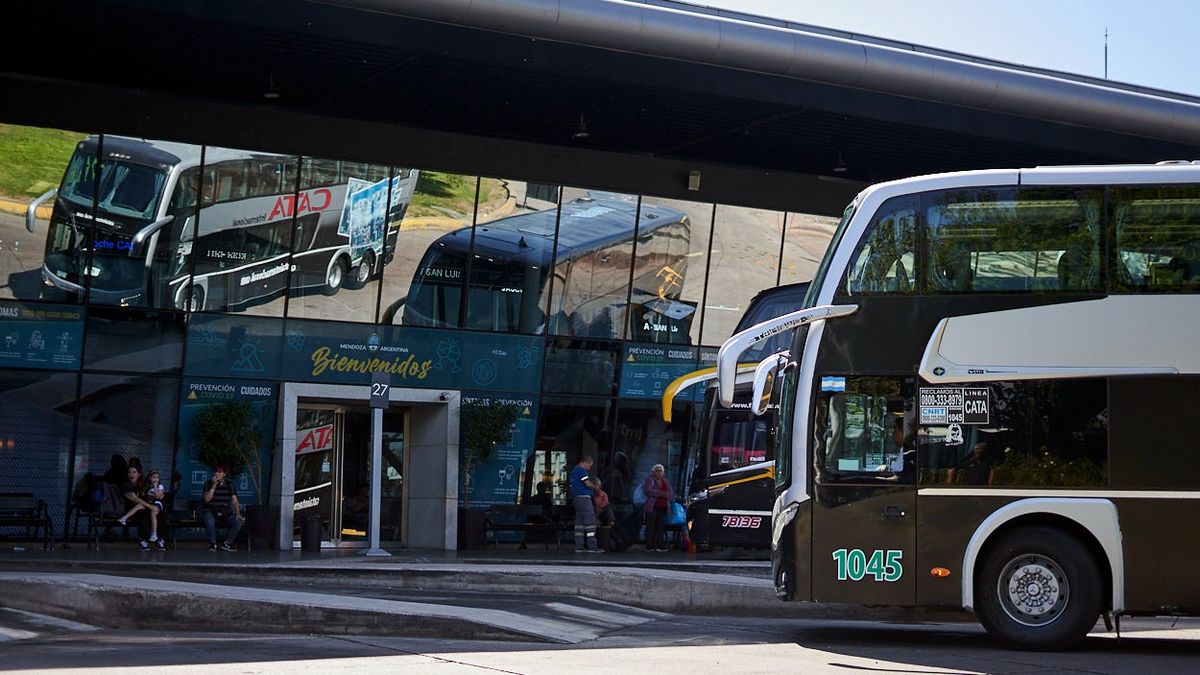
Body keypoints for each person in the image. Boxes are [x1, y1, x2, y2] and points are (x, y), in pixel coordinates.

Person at [119, 465, 163, 550]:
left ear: (139, 474)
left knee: (160, 514)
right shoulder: (126, 485)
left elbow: (155, 495)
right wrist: (150, 506)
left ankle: (160, 539)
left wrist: (160, 495)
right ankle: (144, 540)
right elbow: (135, 498)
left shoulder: (142, 485)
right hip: (132, 510)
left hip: (144, 508)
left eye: (134, 472)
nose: (131, 474)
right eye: (129, 472)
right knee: (144, 515)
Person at [202, 466, 244, 551]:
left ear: (224, 474)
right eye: (215, 471)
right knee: (209, 521)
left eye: (219, 472)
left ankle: (227, 543)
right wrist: (214, 485)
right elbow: (207, 499)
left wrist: (238, 513)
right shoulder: (208, 483)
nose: (216, 473)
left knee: (239, 521)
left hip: (225, 512)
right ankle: (213, 544)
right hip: (211, 511)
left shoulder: (230, 484)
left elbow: (235, 501)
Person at [569, 456, 602, 553]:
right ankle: (592, 546)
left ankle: (579, 546)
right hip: (584, 498)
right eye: (589, 465)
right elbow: (587, 483)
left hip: (577, 499)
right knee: (590, 522)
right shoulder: (581, 471)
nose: (589, 468)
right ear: (585, 463)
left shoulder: (573, 472)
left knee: (579, 523)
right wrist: (595, 487)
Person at [641, 464, 673, 552]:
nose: (659, 473)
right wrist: (662, 493)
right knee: (651, 525)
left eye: (660, 471)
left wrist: (661, 493)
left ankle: (659, 544)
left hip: (663, 507)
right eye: (657, 470)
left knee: (660, 526)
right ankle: (649, 545)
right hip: (652, 506)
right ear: (653, 471)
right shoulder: (649, 479)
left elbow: (670, 493)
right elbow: (648, 491)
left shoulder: (665, 481)